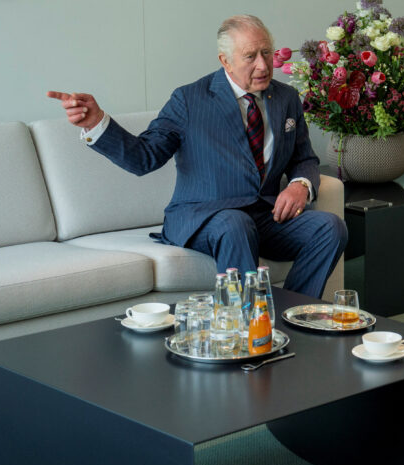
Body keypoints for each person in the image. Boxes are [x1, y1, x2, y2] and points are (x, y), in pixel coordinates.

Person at [48, 15, 347, 299]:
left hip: (264, 215)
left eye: (266, 53)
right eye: (250, 56)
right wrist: (96, 123)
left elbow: (304, 158)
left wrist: (300, 186)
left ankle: (287, 314)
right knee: (235, 224)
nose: (262, 64)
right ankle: (246, 329)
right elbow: (144, 157)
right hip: (204, 216)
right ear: (225, 61)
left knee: (331, 228)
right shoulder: (189, 100)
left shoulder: (285, 98)